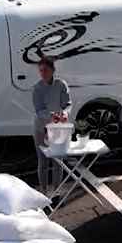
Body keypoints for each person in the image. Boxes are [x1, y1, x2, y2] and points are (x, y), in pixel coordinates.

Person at [31, 56, 72, 191]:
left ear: (53, 70)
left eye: (45, 70)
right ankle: (43, 191)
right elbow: (39, 111)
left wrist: (65, 113)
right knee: (43, 161)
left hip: (57, 128)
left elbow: (67, 104)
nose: (43, 73)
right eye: (41, 70)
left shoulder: (61, 85)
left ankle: (57, 191)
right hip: (41, 128)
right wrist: (53, 116)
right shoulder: (37, 88)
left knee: (57, 161)